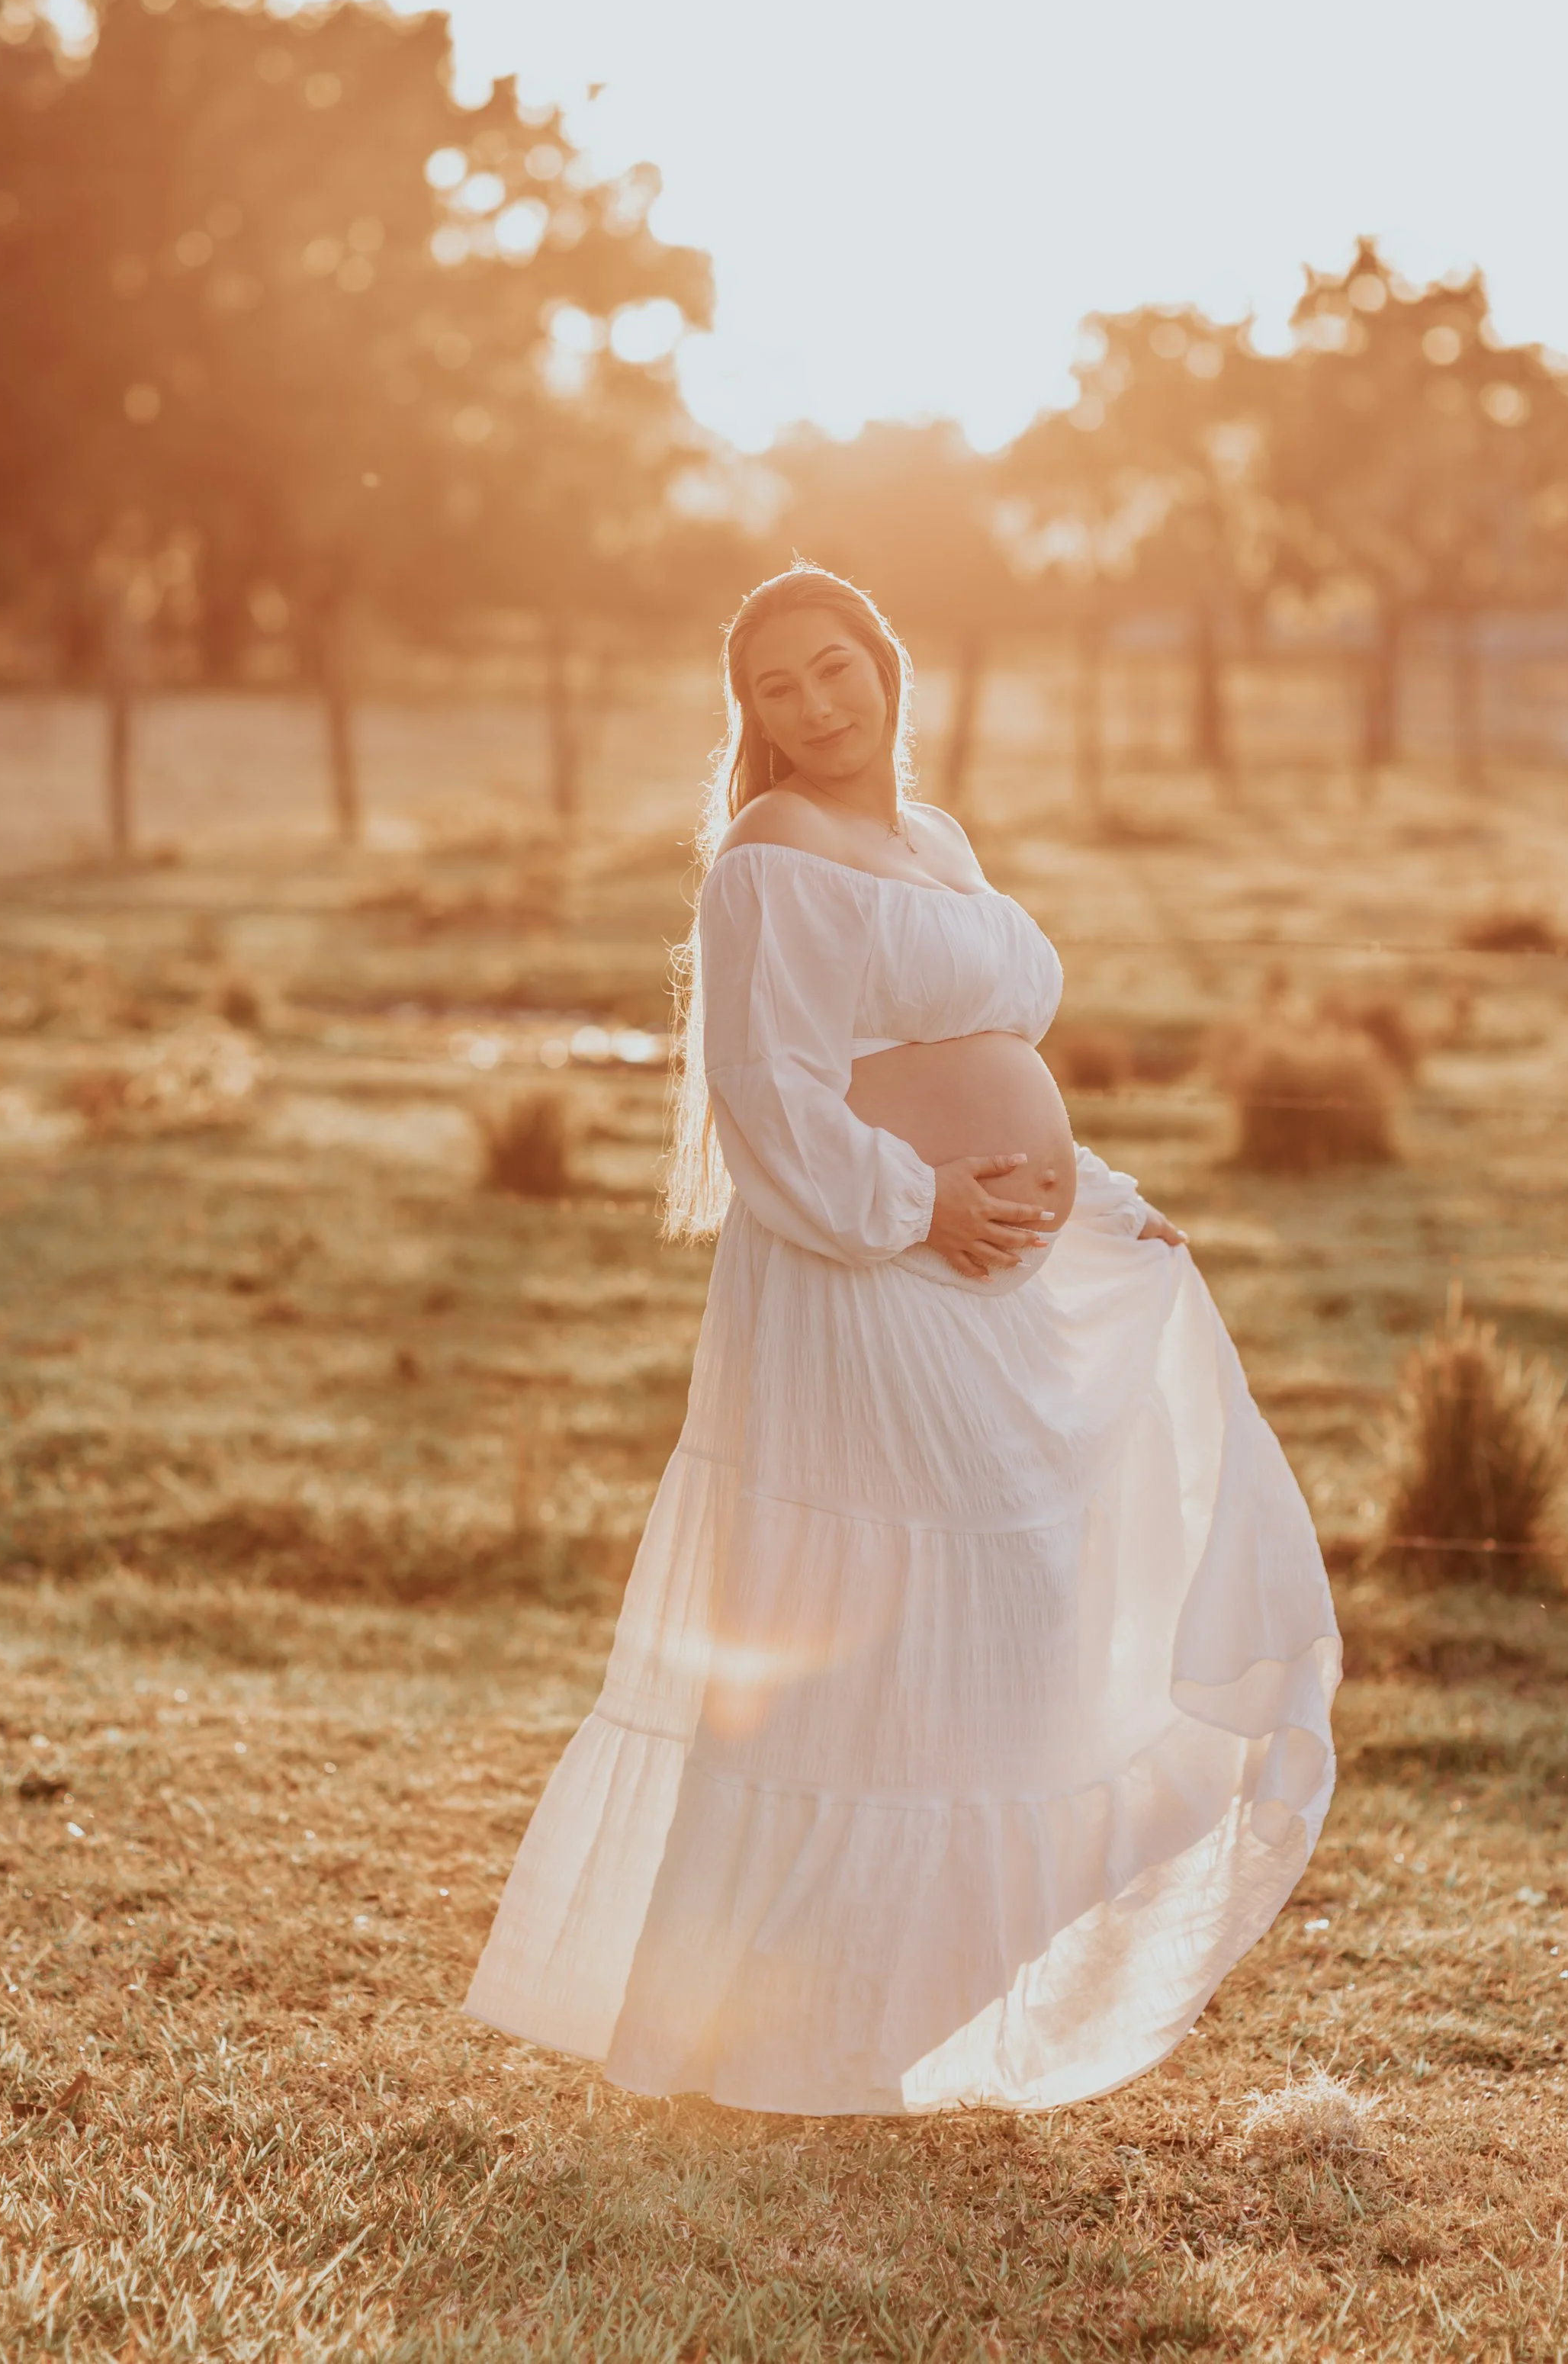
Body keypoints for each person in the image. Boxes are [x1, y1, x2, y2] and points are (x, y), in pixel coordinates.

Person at [465, 565, 1338, 2115]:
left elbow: (976, 1052)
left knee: (1015, 1611)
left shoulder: (935, 841)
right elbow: (772, 1100)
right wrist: (923, 1201)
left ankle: (897, 2016)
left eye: (834, 666)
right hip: (866, 1273)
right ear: (749, 717)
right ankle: (774, 2025)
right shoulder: (766, 855)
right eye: (776, 689)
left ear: (885, 663)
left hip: (985, 1272)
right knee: (890, 1627)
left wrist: (1100, 1202)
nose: (816, 705)